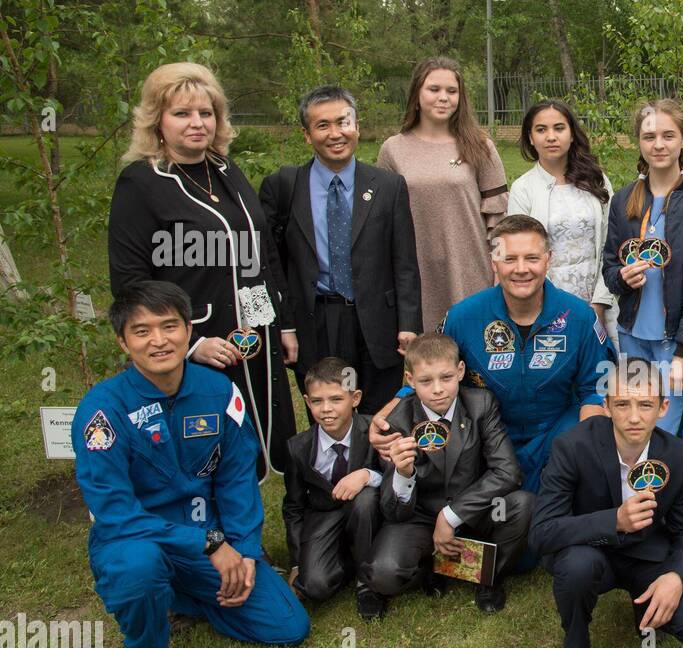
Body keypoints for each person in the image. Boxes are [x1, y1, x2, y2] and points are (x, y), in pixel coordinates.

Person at [73, 281, 309, 648]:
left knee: (289, 627)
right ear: (122, 341)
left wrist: (245, 551)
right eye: (142, 331)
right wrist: (210, 545)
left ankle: (181, 596)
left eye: (169, 326)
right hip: (138, 540)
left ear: (188, 330)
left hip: (215, 541)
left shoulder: (220, 392)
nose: (158, 340)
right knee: (138, 570)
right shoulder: (101, 411)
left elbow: (237, 478)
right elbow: (116, 514)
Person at [108, 62, 296, 479]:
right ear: (157, 121)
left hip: (255, 337)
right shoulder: (140, 183)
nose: (197, 124)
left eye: (206, 113)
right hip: (201, 344)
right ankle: (213, 541)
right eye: (182, 114)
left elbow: (262, 251)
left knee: (262, 443)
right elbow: (130, 283)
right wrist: (189, 342)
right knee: (207, 451)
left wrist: (283, 324)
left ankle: (251, 532)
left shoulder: (226, 170)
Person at [370, 215, 611, 496]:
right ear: (494, 261)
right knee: (498, 518)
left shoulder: (579, 317)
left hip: (554, 435)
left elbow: (597, 386)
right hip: (484, 439)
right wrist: (391, 409)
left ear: (549, 259)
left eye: (532, 258)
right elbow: (430, 368)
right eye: (509, 259)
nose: (521, 269)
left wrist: (590, 445)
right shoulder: (463, 317)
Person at [530, 357, 683, 648]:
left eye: (645, 404)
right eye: (622, 405)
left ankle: (642, 604)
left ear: (663, 407)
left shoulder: (677, 454)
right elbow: (542, 532)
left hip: (648, 555)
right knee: (575, 567)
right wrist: (613, 520)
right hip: (592, 552)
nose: (634, 417)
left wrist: (676, 577)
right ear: (606, 406)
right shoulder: (572, 447)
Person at [260, 85, 422, 414]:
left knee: (382, 417)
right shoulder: (284, 187)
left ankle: (377, 467)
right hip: (316, 320)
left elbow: (404, 262)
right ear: (307, 134)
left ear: (357, 126)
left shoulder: (388, 186)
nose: (335, 134)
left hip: (377, 322)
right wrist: (285, 325)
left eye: (343, 122)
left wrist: (409, 324)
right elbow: (271, 265)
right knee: (329, 414)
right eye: (323, 125)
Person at [364, 333, 534, 616]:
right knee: (384, 574)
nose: (438, 389)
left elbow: (508, 471)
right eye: (426, 381)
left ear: (460, 372)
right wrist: (404, 475)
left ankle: (486, 578)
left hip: (473, 510)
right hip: (419, 517)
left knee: (522, 505)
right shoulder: (397, 421)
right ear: (409, 379)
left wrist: (451, 515)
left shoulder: (481, 404)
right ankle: (433, 568)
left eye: (445, 377)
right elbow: (392, 512)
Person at [602, 99, 683, 435]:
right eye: (649, 136)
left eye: (668, 135)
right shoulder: (624, 199)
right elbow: (610, 266)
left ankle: (667, 489)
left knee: (667, 428)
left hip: (674, 341)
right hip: (632, 334)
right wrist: (623, 279)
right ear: (639, 142)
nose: (658, 144)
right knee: (636, 424)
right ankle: (634, 488)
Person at [377, 57, 509, 329]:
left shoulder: (480, 146)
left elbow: (499, 219)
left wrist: (499, 267)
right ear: (416, 95)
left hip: (468, 269)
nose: (443, 98)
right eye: (434, 89)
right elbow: (382, 221)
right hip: (418, 272)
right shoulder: (393, 150)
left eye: (452, 91)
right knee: (429, 360)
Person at [281, 357, 382, 613]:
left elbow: (393, 476)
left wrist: (366, 475)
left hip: (368, 512)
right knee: (314, 586)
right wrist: (296, 563)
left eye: (336, 399)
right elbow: (293, 506)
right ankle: (345, 558)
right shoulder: (297, 447)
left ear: (355, 398)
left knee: (365, 499)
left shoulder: (374, 431)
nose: (326, 409)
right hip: (323, 515)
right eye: (317, 401)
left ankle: (367, 580)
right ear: (307, 402)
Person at [509, 99, 617, 335]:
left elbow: (612, 244)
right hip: (546, 307)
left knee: (606, 368)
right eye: (541, 129)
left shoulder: (597, 180)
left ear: (571, 134)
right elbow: (521, 258)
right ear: (530, 137)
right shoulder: (523, 189)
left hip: (598, 301)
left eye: (559, 128)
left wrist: (599, 302)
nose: (551, 136)